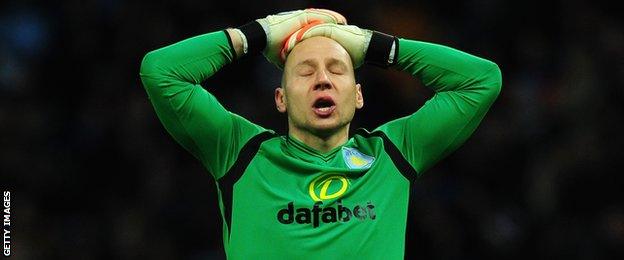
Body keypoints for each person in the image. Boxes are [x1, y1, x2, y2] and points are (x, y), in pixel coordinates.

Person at [139, 8, 502, 259]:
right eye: (305, 71)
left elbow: (482, 81)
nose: (323, 79)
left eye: (337, 69)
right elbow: (160, 71)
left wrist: (376, 47)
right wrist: (257, 34)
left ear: (358, 95)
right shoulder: (239, 152)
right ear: (280, 98)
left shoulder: (392, 154)